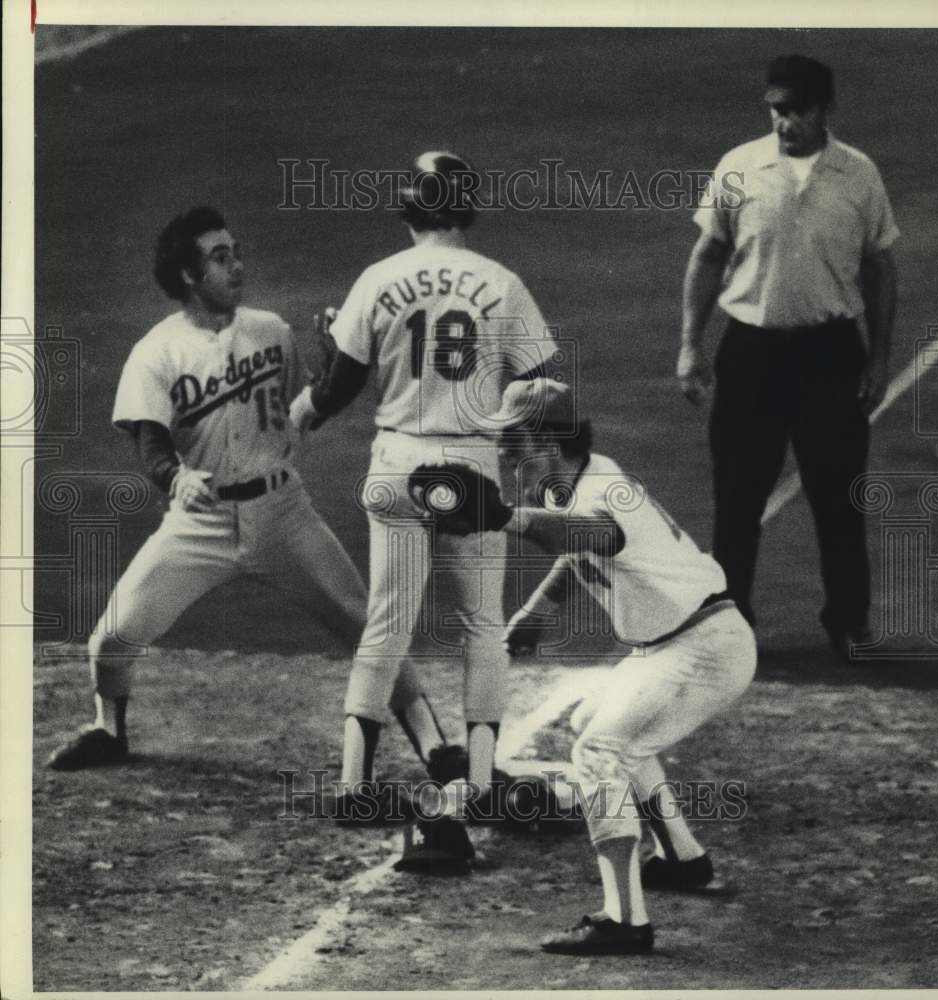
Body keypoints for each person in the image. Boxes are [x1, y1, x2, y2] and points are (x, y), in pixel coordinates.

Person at [48, 206, 449, 775]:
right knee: (112, 639)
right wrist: (177, 478)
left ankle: (438, 747)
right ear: (188, 275)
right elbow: (151, 442)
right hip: (201, 525)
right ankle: (109, 730)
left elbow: (306, 409)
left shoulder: (271, 330)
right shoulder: (156, 353)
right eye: (220, 256)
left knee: (368, 627)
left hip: (284, 513)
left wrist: (336, 369)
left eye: (236, 253)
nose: (236, 266)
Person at [290, 151, 557, 861]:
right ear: (465, 212)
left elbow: (339, 386)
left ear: (410, 211)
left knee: (387, 622)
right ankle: (477, 781)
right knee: (482, 625)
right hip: (470, 463)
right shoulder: (501, 284)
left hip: (396, 465)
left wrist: (304, 408)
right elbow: (541, 385)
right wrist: (512, 431)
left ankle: (352, 781)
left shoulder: (378, 279)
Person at [487, 378, 756, 955]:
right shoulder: (571, 481)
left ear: (550, 443)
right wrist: (535, 611)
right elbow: (573, 544)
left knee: (599, 752)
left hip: (703, 646)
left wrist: (508, 518)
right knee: (604, 737)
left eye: (514, 442)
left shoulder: (606, 491)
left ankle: (625, 921)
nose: (504, 454)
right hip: (672, 644)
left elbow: (595, 535)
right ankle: (685, 861)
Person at [677, 54, 898, 655]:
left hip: (831, 354)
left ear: (825, 111)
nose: (784, 122)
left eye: (796, 111)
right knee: (738, 498)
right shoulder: (739, 167)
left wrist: (878, 360)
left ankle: (849, 624)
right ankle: (732, 625)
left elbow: (879, 269)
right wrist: (690, 346)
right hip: (751, 351)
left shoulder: (859, 175)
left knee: (839, 497)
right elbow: (708, 255)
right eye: (776, 109)